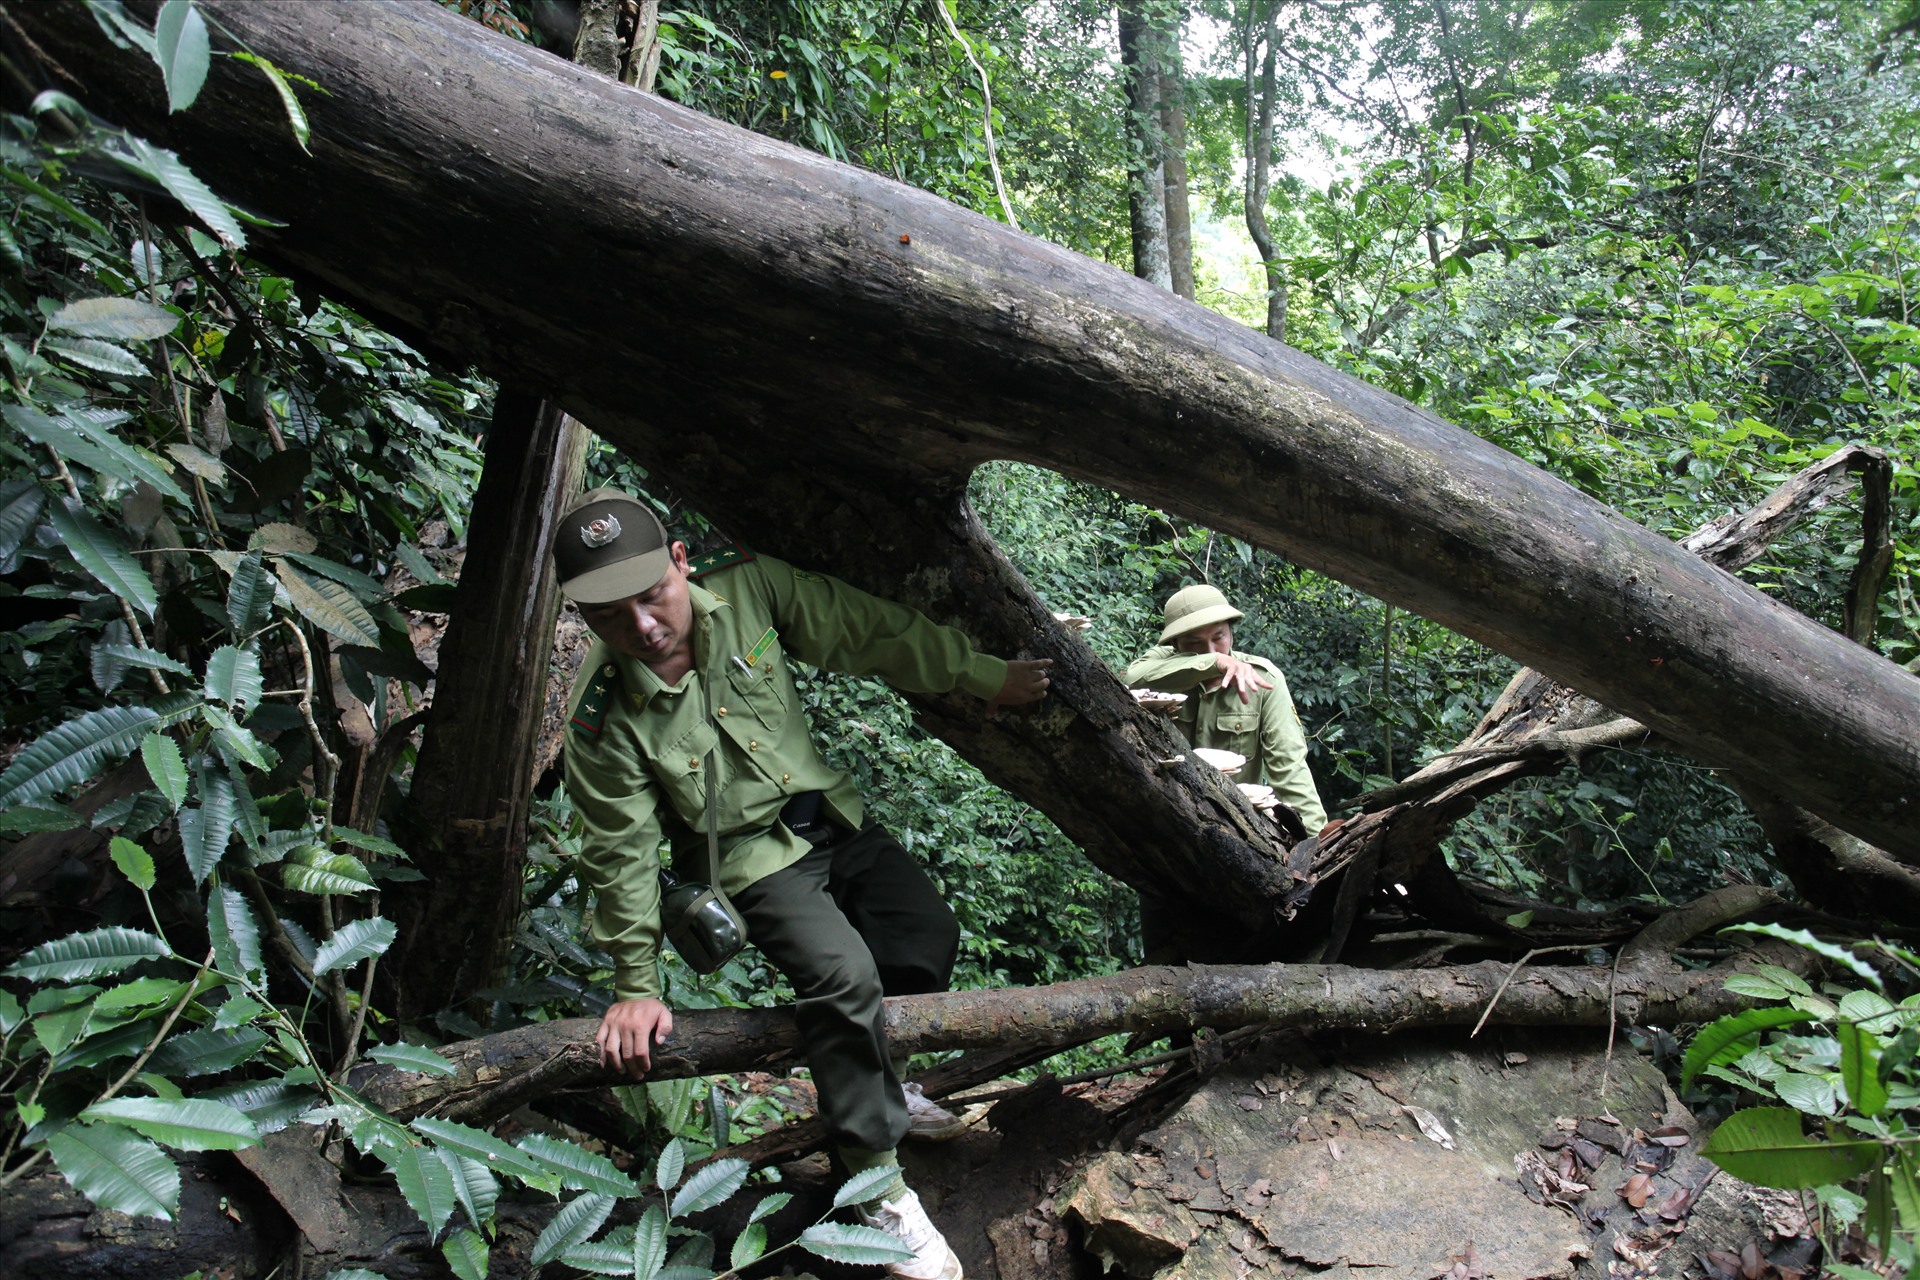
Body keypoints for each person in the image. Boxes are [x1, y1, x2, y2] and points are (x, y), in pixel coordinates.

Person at [555, 488, 1051, 1280]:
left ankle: (884, 1085)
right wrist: (635, 984)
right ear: (586, 618)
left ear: (680, 564)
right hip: (750, 861)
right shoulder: (604, 715)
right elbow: (621, 849)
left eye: (653, 597)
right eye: (613, 616)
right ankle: (874, 1184)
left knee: (925, 933)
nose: (643, 627)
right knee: (839, 974)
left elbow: (865, 629)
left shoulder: (749, 586)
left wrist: (978, 674)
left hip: (829, 813)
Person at [1126, 584, 1326, 835]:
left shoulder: (1264, 680)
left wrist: (1315, 841)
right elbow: (1133, 677)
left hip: (1239, 830)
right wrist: (1215, 662)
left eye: (1218, 637)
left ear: (1231, 631)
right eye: (1194, 642)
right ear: (1175, 644)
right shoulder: (1161, 667)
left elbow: (1290, 768)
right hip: (1163, 820)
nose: (1209, 649)